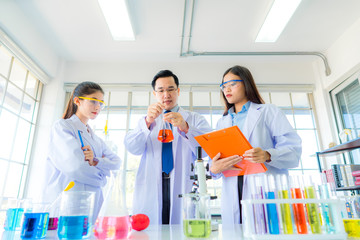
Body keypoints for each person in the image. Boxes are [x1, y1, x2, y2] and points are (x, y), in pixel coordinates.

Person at [210, 65, 302, 226]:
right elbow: (217, 159)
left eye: (232, 84)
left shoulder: (268, 111)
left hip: (263, 188)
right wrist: (214, 169)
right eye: (224, 86)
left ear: (246, 83)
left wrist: (267, 155)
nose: (227, 89)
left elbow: (293, 152)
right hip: (232, 189)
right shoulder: (222, 121)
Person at [124, 70, 212, 224]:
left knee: (180, 228)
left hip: (183, 182)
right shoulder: (146, 120)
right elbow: (132, 147)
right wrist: (147, 122)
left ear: (178, 91)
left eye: (171, 89)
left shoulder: (194, 119)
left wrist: (185, 127)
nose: (166, 95)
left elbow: (206, 150)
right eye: (161, 90)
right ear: (155, 94)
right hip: (152, 183)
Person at [42, 81, 121, 220]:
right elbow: (76, 166)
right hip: (67, 200)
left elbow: (116, 162)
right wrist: (102, 178)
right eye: (94, 101)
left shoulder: (95, 138)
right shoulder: (63, 127)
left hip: (92, 201)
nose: (98, 107)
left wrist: (96, 161)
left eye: (101, 103)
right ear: (77, 101)